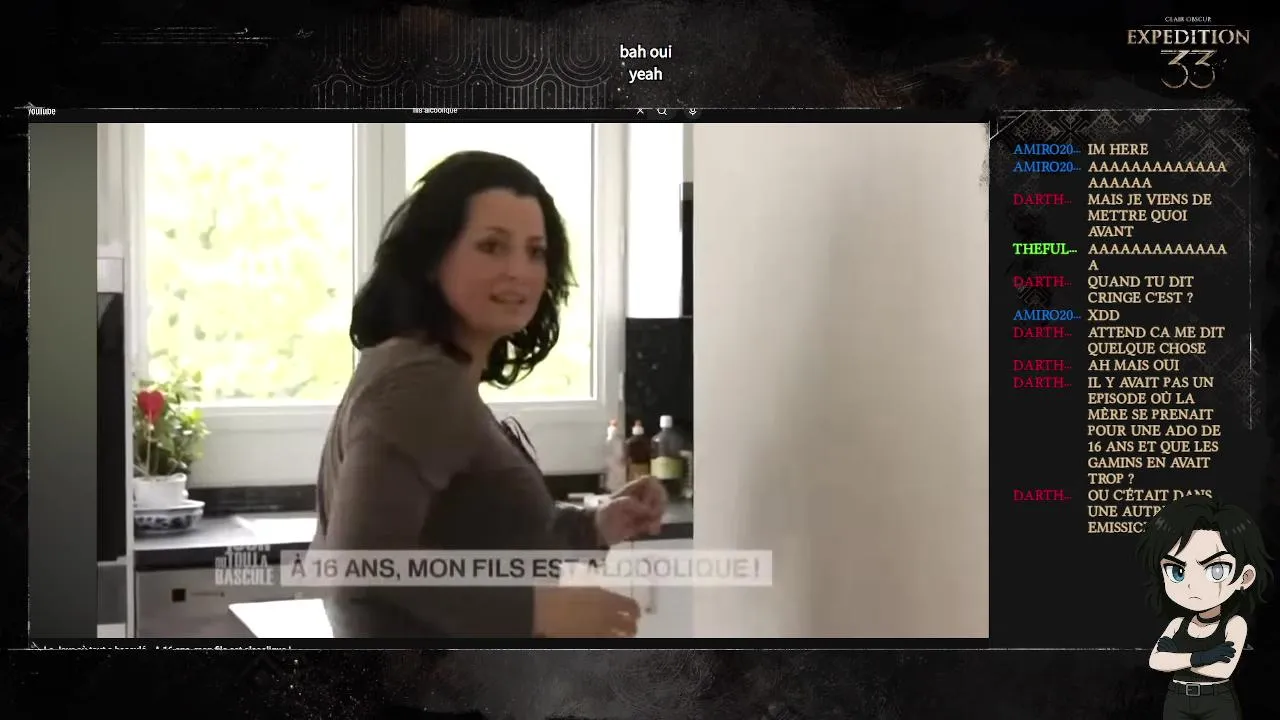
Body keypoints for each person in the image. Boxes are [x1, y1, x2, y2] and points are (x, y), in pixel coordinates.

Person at [310, 150, 668, 637]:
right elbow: (360, 566)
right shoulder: (420, 382)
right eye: (492, 246)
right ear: (432, 258)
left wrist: (596, 525)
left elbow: (478, 537)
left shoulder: (431, 372)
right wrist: (537, 612)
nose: (519, 270)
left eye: (535, 251)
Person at [1137, 495, 1274, 719]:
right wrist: (1205, 656)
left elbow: (1222, 669)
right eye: (1177, 571)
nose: (1192, 585)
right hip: (1177, 699)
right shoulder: (1177, 623)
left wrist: (1177, 658)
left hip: (1217, 700)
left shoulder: (1235, 624)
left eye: (1215, 570)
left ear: (1245, 577)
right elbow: (1156, 661)